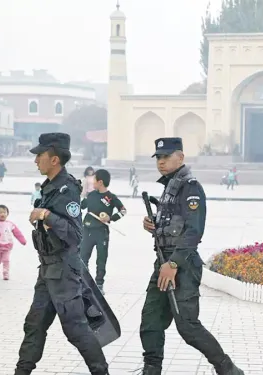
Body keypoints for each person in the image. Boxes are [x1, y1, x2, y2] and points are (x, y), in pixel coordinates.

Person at [140, 137, 244, 375]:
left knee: (188, 327)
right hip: (163, 262)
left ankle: (228, 369)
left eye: (166, 157)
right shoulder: (170, 186)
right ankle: (151, 369)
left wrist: (173, 264)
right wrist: (153, 224)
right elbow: (174, 224)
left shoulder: (190, 187)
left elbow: (194, 231)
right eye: (158, 158)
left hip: (181, 265)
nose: (161, 162)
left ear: (181, 157)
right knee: (150, 322)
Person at [15, 133, 109, 375]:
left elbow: (75, 234)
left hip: (64, 271)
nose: (36, 160)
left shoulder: (67, 190)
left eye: (40, 155)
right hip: (48, 269)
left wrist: (45, 215)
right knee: (34, 325)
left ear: (54, 159)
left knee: (76, 329)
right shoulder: (50, 188)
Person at [80, 169, 126, 294]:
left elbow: (123, 211)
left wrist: (110, 218)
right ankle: (83, 282)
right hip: (87, 230)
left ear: (100, 182)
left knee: (101, 259)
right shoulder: (91, 195)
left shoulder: (111, 198)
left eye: (94, 180)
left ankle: (99, 284)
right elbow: (80, 206)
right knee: (83, 257)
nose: (92, 182)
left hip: (102, 232)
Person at [0, 204, 27, 280]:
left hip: (7, 246)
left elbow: (17, 233)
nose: (2, 214)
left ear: (7, 214)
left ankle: (6, 273)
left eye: (4, 212)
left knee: (6, 260)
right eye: (0, 212)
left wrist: (23, 241)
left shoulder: (10, 224)